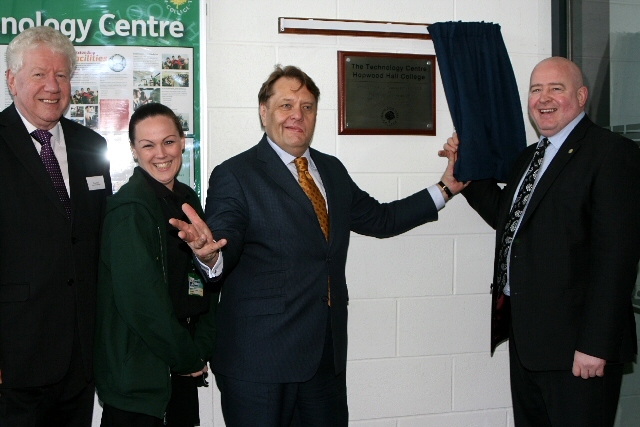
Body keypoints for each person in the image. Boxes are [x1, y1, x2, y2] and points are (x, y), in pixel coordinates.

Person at [204, 64, 459, 426]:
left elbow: (380, 219)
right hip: (258, 362)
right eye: (286, 105)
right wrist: (211, 254)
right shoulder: (235, 174)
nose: (297, 115)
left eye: (307, 107)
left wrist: (445, 188)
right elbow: (224, 240)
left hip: (324, 358)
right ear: (264, 112)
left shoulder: (331, 170)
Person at [440, 57, 640, 426]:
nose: (543, 98)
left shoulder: (612, 154)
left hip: (579, 351)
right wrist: (465, 171)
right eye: (535, 89)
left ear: (581, 96)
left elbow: (617, 259)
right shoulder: (529, 158)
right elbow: (509, 219)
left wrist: (595, 345)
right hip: (530, 343)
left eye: (555, 88)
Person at [0, 26, 112, 426]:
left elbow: (100, 241)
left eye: (62, 75)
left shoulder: (91, 145)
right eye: (39, 74)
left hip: (80, 359)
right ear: (11, 80)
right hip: (15, 360)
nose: (52, 86)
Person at [94, 103, 226, 427]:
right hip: (139, 384)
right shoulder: (128, 211)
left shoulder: (187, 200)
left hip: (179, 369)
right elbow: (143, 305)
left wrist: (201, 347)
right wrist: (187, 356)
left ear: (183, 141)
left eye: (168, 141)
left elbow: (203, 282)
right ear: (134, 151)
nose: (161, 154)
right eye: (148, 145)